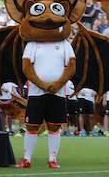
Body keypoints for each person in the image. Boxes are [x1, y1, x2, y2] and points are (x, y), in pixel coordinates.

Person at [17, 19, 75, 168]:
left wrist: (57, 85)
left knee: (54, 126)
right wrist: (43, 85)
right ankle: (27, 159)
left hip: (58, 92)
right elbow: (26, 67)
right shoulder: (32, 44)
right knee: (31, 126)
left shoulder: (64, 44)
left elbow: (71, 67)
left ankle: (52, 159)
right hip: (37, 92)